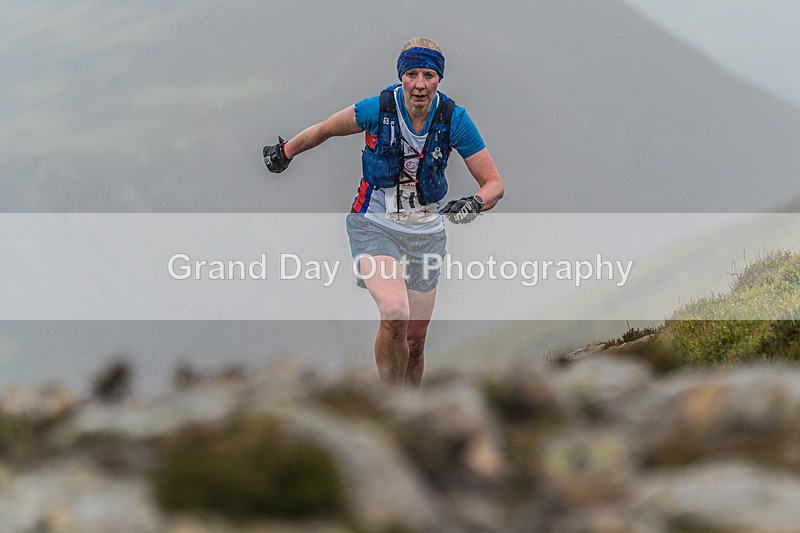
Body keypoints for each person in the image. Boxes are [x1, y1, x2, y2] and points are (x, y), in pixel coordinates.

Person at [263, 37, 503, 388]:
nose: (420, 84)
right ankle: (391, 403)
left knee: (415, 342)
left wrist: (475, 203)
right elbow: (325, 129)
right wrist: (286, 151)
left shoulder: (454, 120)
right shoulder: (377, 109)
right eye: (412, 74)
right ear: (401, 76)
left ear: (439, 79)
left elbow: (494, 184)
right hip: (373, 225)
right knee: (395, 313)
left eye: (428, 75)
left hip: (426, 235)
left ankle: (411, 407)